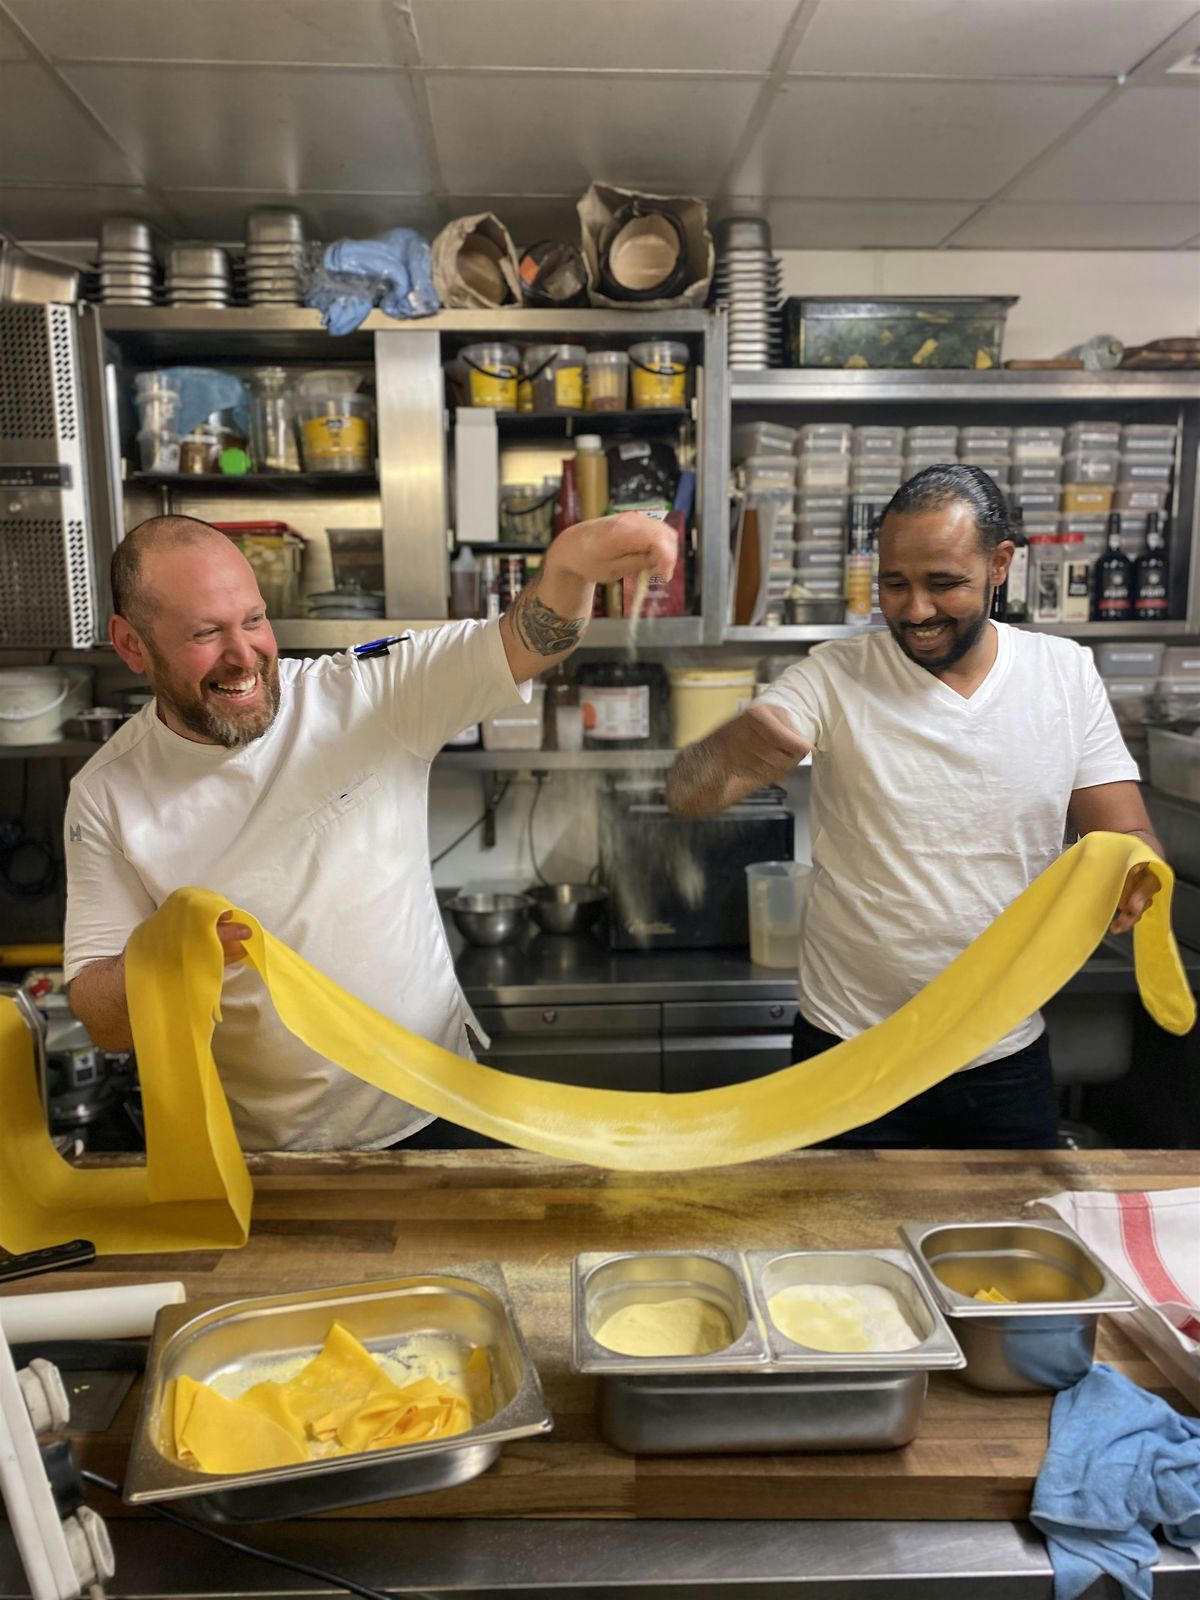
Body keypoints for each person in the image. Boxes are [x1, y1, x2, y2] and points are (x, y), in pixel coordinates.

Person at [64, 509, 674, 1152]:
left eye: (254, 620)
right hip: (264, 1150)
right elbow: (104, 1022)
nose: (244, 656)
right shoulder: (107, 795)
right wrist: (166, 957)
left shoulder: (363, 692)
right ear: (133, 644)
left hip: (439, 1106)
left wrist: (570, 569)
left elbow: (525, 642)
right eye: (205, 633)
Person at [666, 464, 1163, 1149]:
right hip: (848, 1053)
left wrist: (1137, 873)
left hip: (999, 1057)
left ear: (1000, 564)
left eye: (943, 584)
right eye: (895, 585)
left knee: (1004, 1251)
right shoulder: (835, 674)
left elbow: (1126, 829)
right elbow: (688, 794)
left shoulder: (1064, 675)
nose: (916, 611)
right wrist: (731, 752)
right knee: (837, 1253)